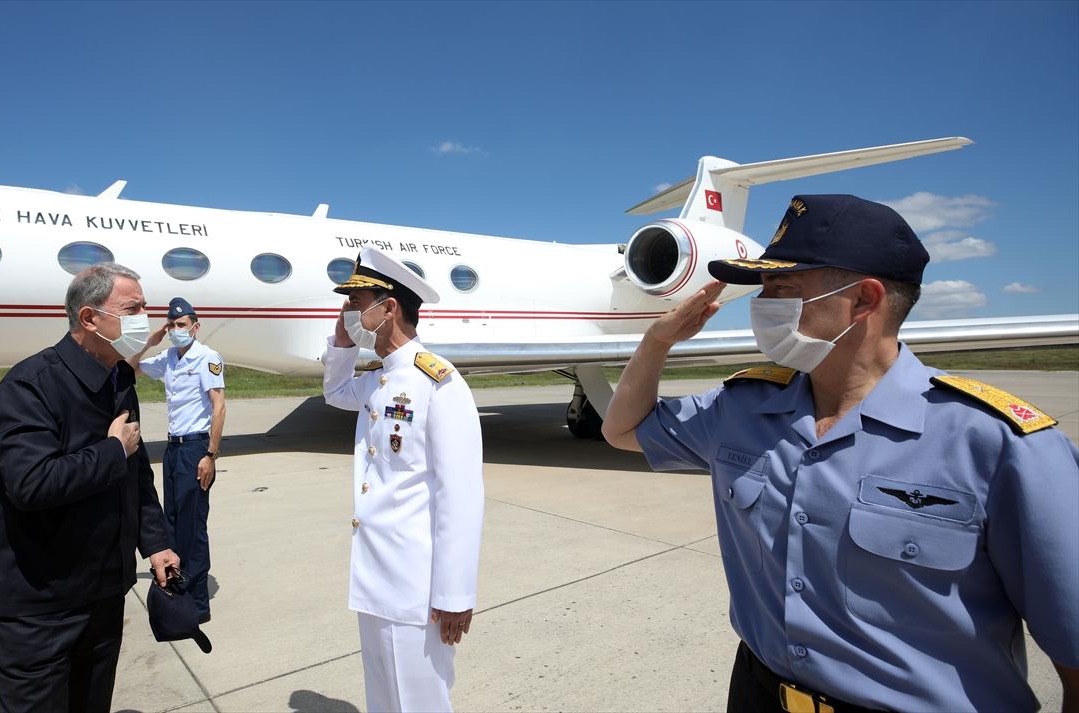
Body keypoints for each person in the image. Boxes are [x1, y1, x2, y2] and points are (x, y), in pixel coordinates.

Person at [602, 195, 1079, 712]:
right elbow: (624, 430)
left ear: (864, 300)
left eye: (784, 288)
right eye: (763, 289)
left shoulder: (998, 444)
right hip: (759, 694)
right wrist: (657, 342)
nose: (763, 304)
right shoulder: (740, 409)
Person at [0, 262, 180, 713]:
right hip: (39, 607)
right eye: (133, 309)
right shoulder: (30, 385)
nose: (145, 319)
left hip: (102, 594)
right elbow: (30, 483)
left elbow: (135, 473)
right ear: (89, 318)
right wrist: (111, 451)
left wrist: (156, 541)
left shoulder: (118, 379)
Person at [322, 247, 485, 713]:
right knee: (383, 698)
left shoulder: (438, 382)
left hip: (417, 587)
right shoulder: (379, 379)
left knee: (420, 702)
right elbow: (335, 392)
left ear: (388, 308)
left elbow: (460, 495)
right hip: (374, 577)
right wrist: (342, 344)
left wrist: (454, 594)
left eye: (356, 304)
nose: (348, 313)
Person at [129, 297, 226, 624]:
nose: (175, 330)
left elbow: (219, 407)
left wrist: (210, 454)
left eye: (181, 325)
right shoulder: (169, 357)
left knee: (192, 527)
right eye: (171, 325)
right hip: (173, 450)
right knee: (170, 522)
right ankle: (178, 593)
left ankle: (197, 606)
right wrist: (149, 342)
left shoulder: (207, 357)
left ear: (195, 327)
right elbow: (130, 368)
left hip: (196, 449)